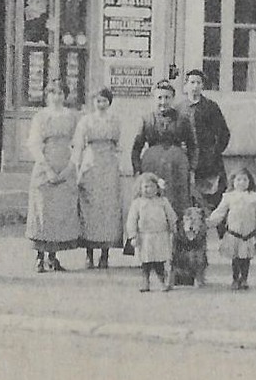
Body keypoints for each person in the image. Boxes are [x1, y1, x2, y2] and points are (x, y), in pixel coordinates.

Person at [26, 81, 82, 272]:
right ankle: (39, 257)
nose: (56, 97)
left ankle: (53, 257)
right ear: (47, 96)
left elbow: (78, 144)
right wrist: (47, 169)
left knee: (60, 211)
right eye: (53, 93)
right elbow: (34, 143)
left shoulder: (72, 117)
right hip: (45, 165)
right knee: (43, 209)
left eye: (60, 93)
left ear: (65, 96)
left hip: (65, 164)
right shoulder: (41, 117)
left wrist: (70, 167)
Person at [72, 86, 124, 268]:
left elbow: (119, 145)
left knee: (108, 209)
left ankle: (105, 254)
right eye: (98, 101)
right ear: (93, 102)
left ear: (109, 102)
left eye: (104, 101)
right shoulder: (86, 121)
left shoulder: (115, 120)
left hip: (109, 165)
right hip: (91, 163)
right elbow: (78, 146)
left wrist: (119, 166)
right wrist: (77, 167)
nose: (101, 104)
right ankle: (89, 253)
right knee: (90, 208)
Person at [130, 81, 199, 215]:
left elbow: (193, 145)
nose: (163, 102)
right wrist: (137, 170)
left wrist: (192, 169)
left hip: (177, 167)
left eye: (167, 97)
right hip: (152, 166)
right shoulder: (147, 119)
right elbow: (136, 147)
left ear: (172, 98)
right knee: (152, 199)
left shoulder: (183, 119)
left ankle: (177, 227)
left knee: (178, 201)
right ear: (154, 98)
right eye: (159, 98)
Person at [208, 167, 256, 290]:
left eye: (244, 180)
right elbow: (220, 212)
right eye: (238, 180)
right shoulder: (228, 197)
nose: (241, 182)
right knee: (235, 258)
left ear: (250, 182)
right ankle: (235, 279)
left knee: (246, 258)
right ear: (232, 181)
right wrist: (210, 222)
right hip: (234, 234)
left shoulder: (255, 198)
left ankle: (244, 279)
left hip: (248, 234)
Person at [182, 69, 232, 213]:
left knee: (214, 200)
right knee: (191, 201)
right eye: (192, 82)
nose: (195, 86)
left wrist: (214, 152)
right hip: (188, 162)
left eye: (198, 83)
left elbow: (224, 133)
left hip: (210, 163)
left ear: (203, 85)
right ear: (186, 85)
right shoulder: (180, 109)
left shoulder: (211, 107)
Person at [123, 171, 178, 292]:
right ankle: (145, 282)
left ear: (157, 188)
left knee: (159, 261)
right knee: (146, 261)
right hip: (145, 236)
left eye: (152, 187)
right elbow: (131, 220)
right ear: (140, 188)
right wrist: (133, 235)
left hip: (160, 235)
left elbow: (171, 215)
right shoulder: (137, 203)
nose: (148, 190)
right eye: (145, 187)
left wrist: (173, 227)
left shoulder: (163, 201)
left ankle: (162, 282)